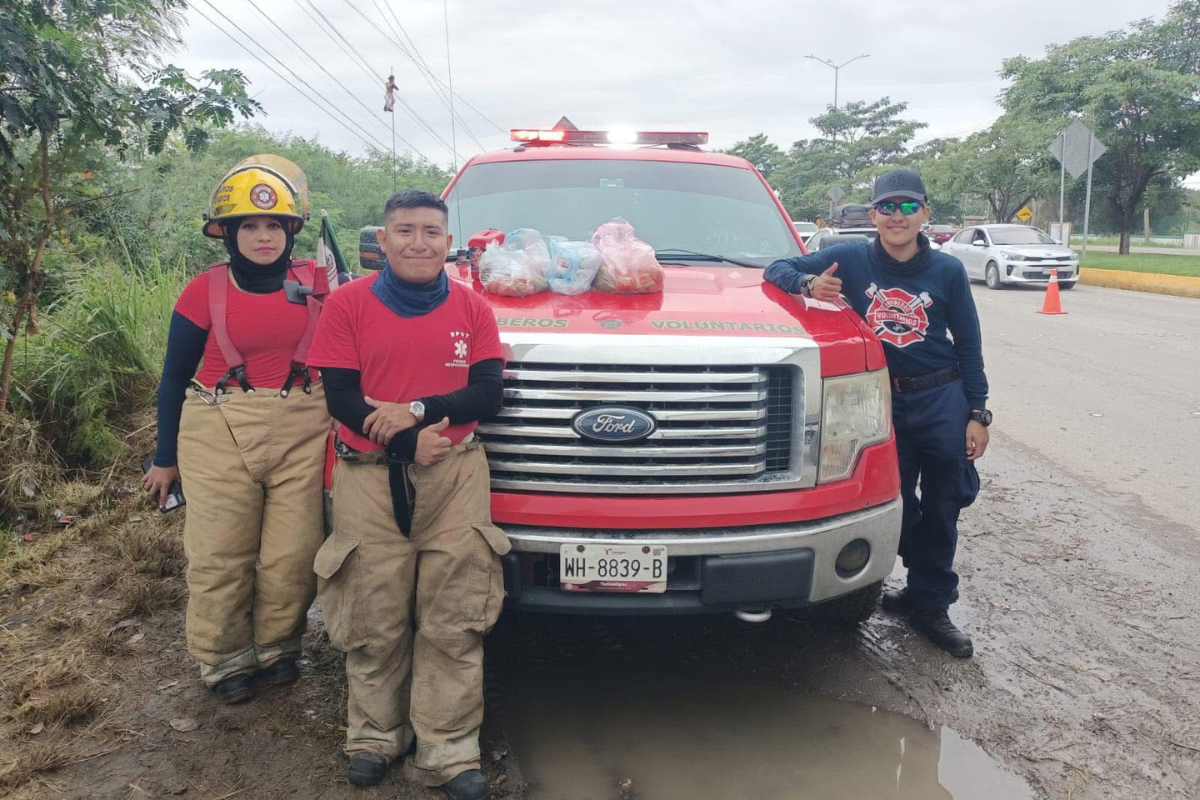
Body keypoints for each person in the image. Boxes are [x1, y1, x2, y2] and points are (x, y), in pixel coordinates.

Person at [308, 189, 507, 799]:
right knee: (372, 611)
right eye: (404, 231)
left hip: (457, 476)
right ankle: (374, 736)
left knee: (455, 616)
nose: (418, 242)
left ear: (449, 243)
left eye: (430, 232)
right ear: (383, 241)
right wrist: (402, 446)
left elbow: (488, 394)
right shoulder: (347, 305)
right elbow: (341, 399)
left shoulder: (474, 310)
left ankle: (449, 749)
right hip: (368, 479)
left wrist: (418, 413)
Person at [764, 168, 991, 659]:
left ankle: (930, 605)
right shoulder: (848, 257)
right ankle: (920, 581)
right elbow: (775, 269)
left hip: (941, 397)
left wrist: (979, 411)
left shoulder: (948, 271)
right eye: (887, 207)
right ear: (873, 215)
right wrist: (807, 283)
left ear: (926, 215)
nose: (897, 216)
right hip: (880, 402)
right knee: (895, 503)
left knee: (946, 503)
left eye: (909, 207)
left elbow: (969, 346)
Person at [142, 155, 333, 701]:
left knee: (294, 553)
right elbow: (173, 377)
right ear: (226, 232)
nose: (263, 235)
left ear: (291, 230)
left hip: (302, 424)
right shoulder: (202, 291)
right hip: (216, 425)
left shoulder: (318, 285)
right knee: (220, 551)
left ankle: (278, 647)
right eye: (249, 225)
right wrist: (164, 457)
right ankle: (225, 658)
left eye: (274, 224)